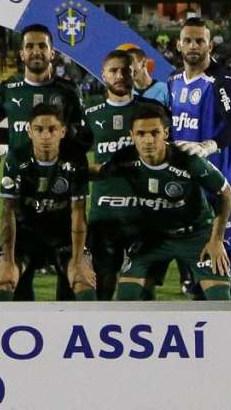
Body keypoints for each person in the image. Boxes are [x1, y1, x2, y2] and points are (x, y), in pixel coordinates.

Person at [97, 103, 231, 301]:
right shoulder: (123, 159)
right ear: (132, 135)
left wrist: (217, 240)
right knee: (127, 296)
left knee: (220, 299)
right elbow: (100, 171)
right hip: (152, 237)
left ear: (166, 133)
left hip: (196, 234)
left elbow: (226, 193)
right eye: (141, 134)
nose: (148, 140)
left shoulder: (188, 159)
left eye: (155, 133)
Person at [167, 16, 231, 300]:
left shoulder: (221, 82)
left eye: (199, 41)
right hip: (186, 188)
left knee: (227, 258)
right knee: (193, 264)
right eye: (187, 40)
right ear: (178, 45)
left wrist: (209, 145)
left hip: (219, 184)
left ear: (209, 45)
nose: (193, 46)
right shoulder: (172, 83)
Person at [0, 103, 96, 301]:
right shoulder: (16, 158)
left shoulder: (75, 159)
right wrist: (7, 259)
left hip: (64, 237)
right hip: (25, 236)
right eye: (39, 129)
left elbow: (78, 213)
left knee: (83, 282)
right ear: (30, 131)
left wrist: (77, 261)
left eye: (52, 129)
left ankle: (77, 330)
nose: (46, 136)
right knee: (3, 282)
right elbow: (8, 212)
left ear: (63, 131)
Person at [82, 49, 158, 300]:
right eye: (113, 70)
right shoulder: (91, 116)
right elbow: (76, 169)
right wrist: (103, 169)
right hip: (105, 216)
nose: (120, 75)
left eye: (125, 70)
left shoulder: (150, 112)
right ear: (103, 74)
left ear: (135, 71)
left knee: (143, 289)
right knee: (103, 286)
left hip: (144, 215)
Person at [0, 24, 84, 162]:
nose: (36, 51)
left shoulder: (69, 91)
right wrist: (13, 138)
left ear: (52, 53)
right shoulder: (7, 89)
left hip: (58, 175)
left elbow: (82, 132)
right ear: (22, 54)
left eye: (42, 46)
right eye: (30, 46)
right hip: (16, 176)